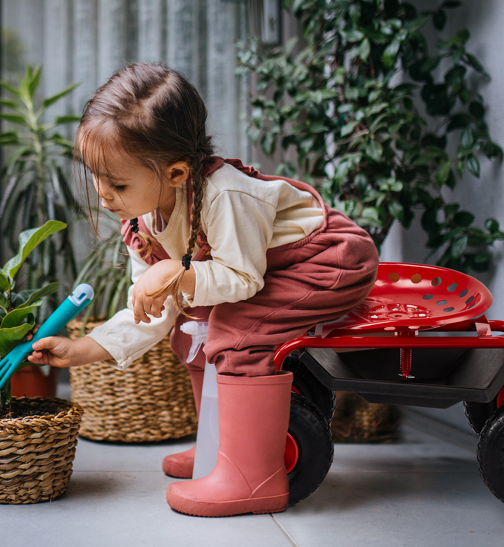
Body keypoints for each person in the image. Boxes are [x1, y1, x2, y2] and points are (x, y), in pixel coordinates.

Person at [28, 62, 379, 517]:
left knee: (237, 329)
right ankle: (219, 446)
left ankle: (253, 478)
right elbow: (156, 310)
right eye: (96, 176)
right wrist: (84, 349)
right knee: (192, 330)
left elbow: (242, 278)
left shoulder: (225, 195)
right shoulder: (142, 222)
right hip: (269, 270)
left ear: (175, 173)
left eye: (117, 182)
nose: (103, 194)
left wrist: (175, 272)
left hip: (325, 260)